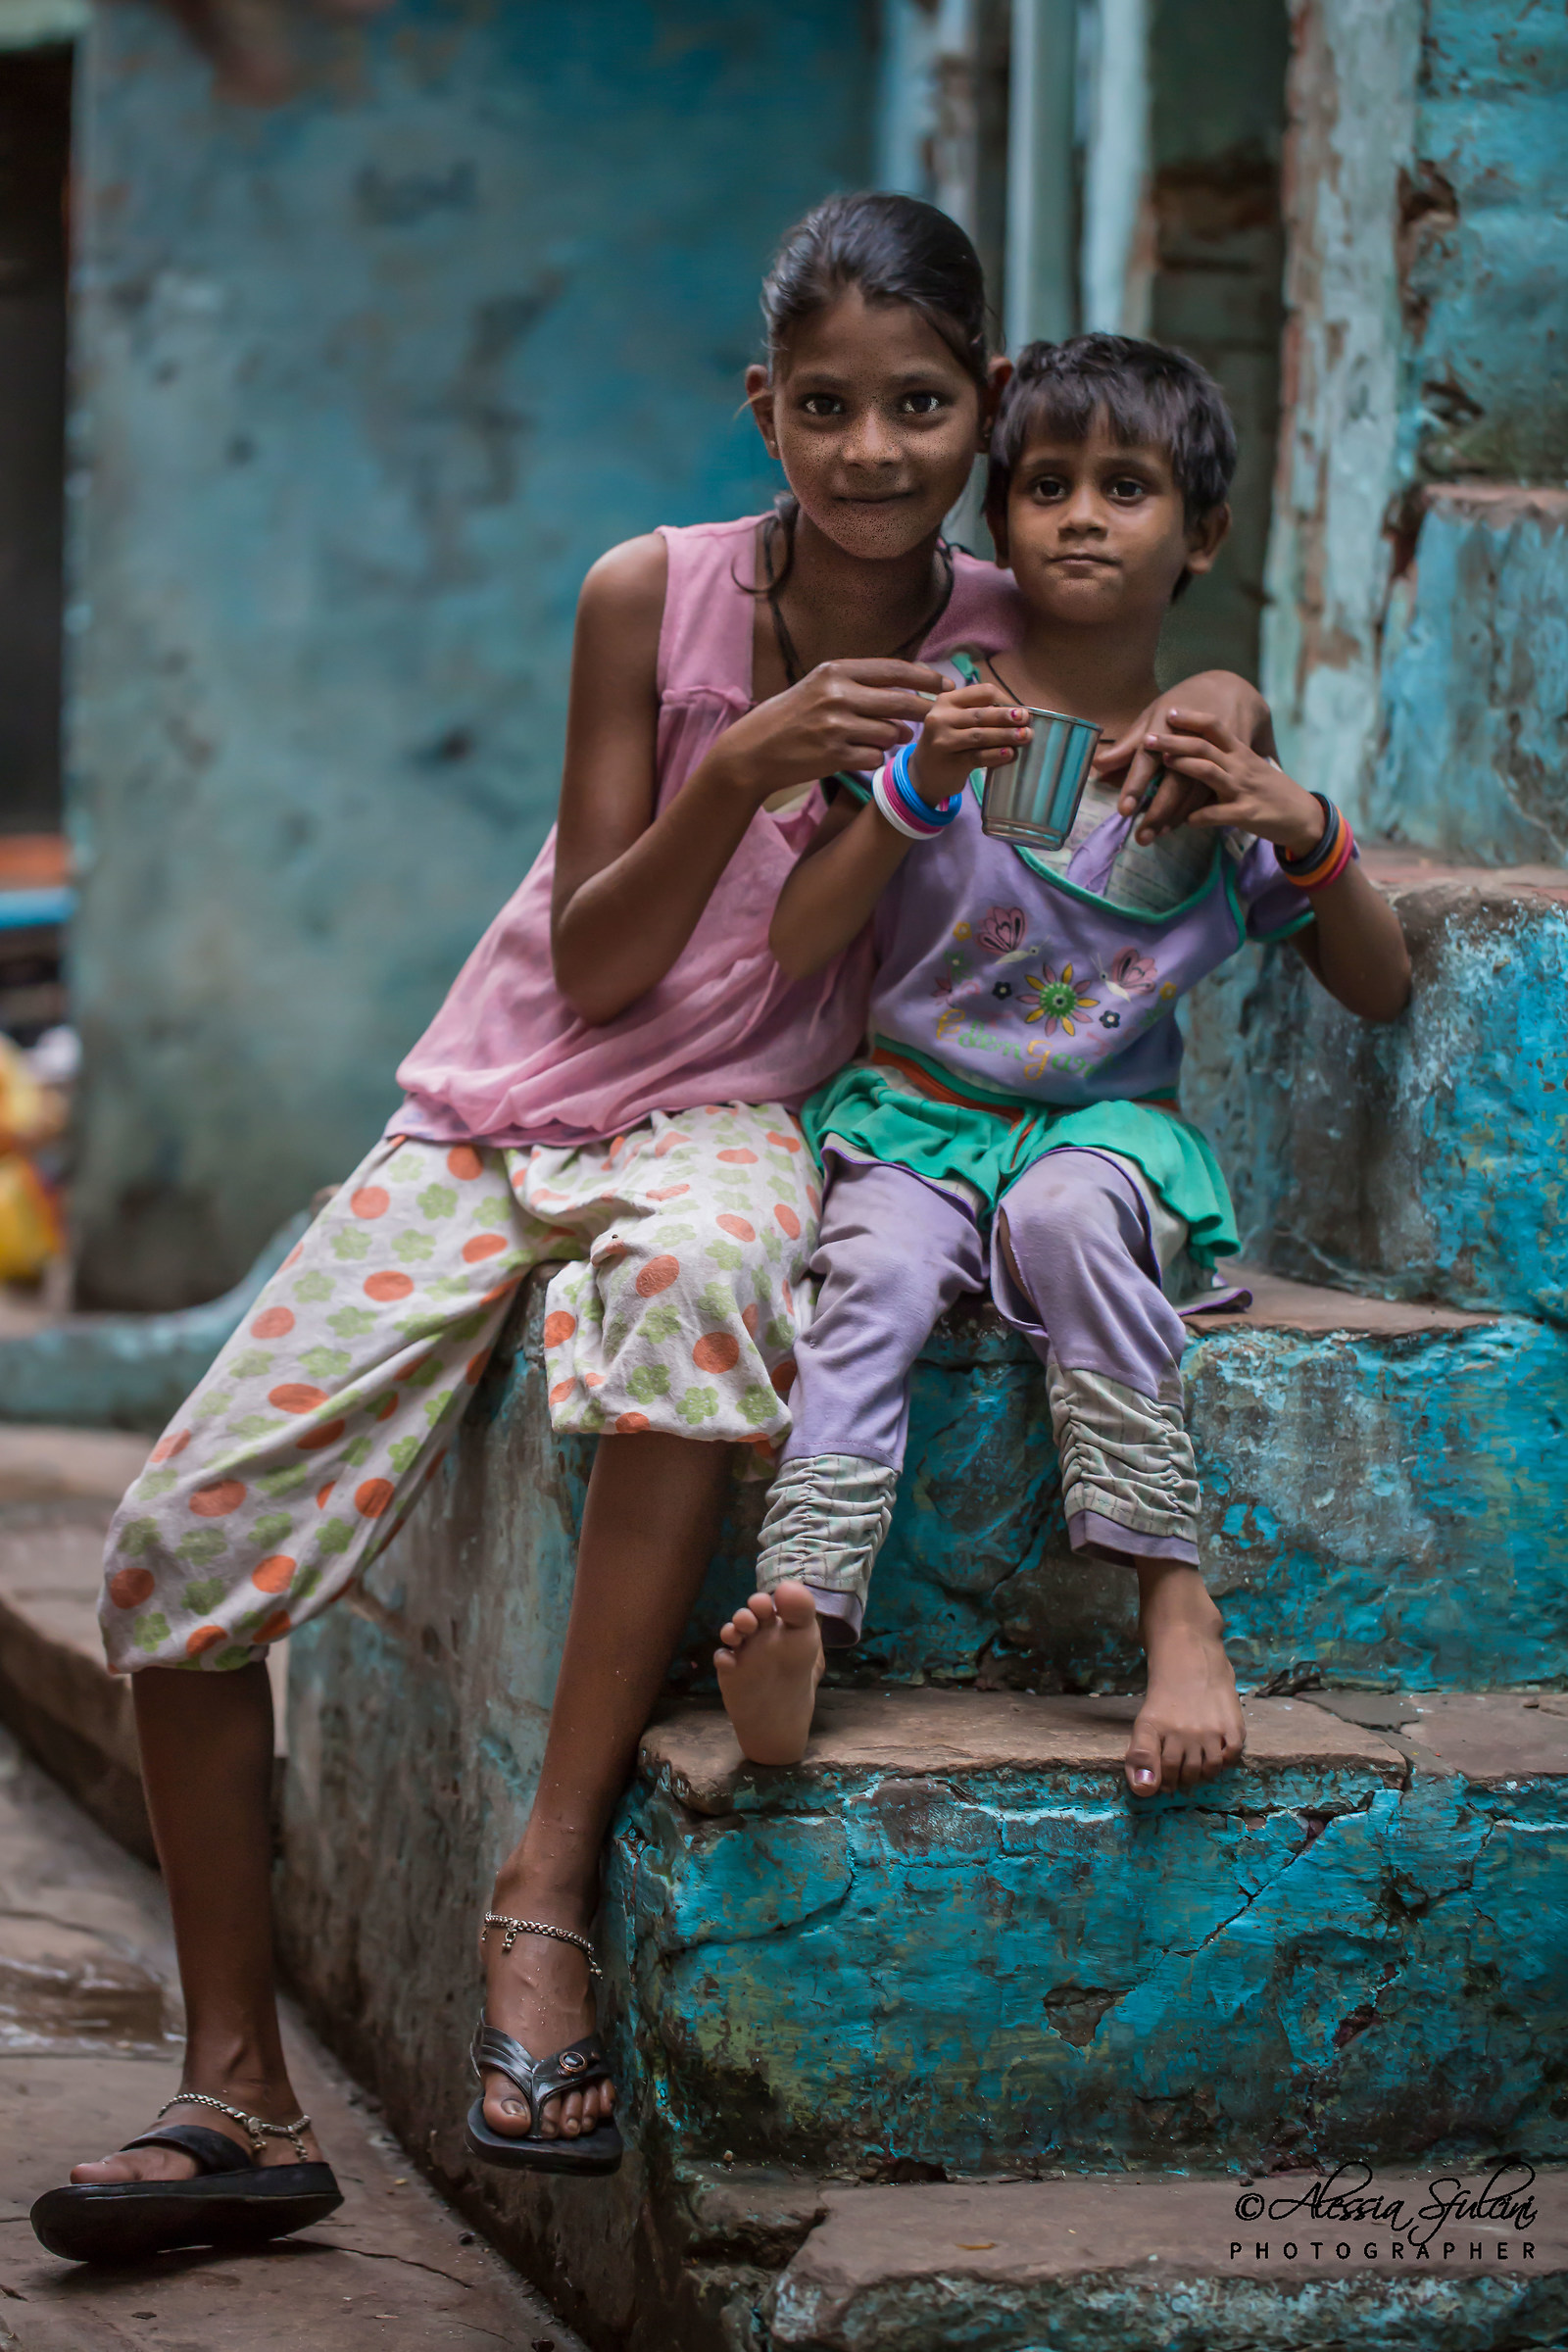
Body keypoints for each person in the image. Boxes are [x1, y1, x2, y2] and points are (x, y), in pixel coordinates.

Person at [37, 215, 1278, 2259]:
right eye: (821, 407)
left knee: (708, 1286)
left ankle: (539, 1902)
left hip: (738, 1122)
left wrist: (1213, 704)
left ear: (978, 415)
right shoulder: (653, 594)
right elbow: (599, 963)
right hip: (500, 1102)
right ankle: (234, 2087)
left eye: (916, 407)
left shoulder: (996, 608)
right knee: (176, 1547)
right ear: (760, 407)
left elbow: (1177, 668)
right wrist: (748, 773)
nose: (866, 450)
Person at [717, 332, 1412, 1791]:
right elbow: (799, 938)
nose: (1083, 515)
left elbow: (1377, 979)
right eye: (1046, 486)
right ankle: (804, 1612)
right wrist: (911, 794)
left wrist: (1306, 830)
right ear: (999, 521)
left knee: (1064, 1220)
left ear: (1202, 534)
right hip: (912, 1120)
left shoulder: (1208, 772)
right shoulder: (940, 708)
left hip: (1102, 1137)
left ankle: (1178, 1608)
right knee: (878, 1277)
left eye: (1128, 488)